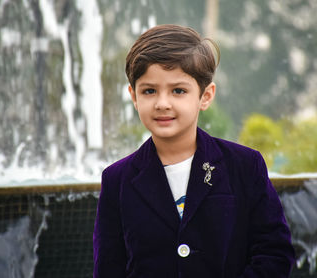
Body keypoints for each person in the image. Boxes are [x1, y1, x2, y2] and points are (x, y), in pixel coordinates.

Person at [93, 24, 295, 278]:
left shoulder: (244, 166)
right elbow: (108, 268)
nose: (162, 103)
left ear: (205, 96)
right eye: (149, 91)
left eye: (178, 91)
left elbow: (274, 253)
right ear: (134, 97)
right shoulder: (116, 180)